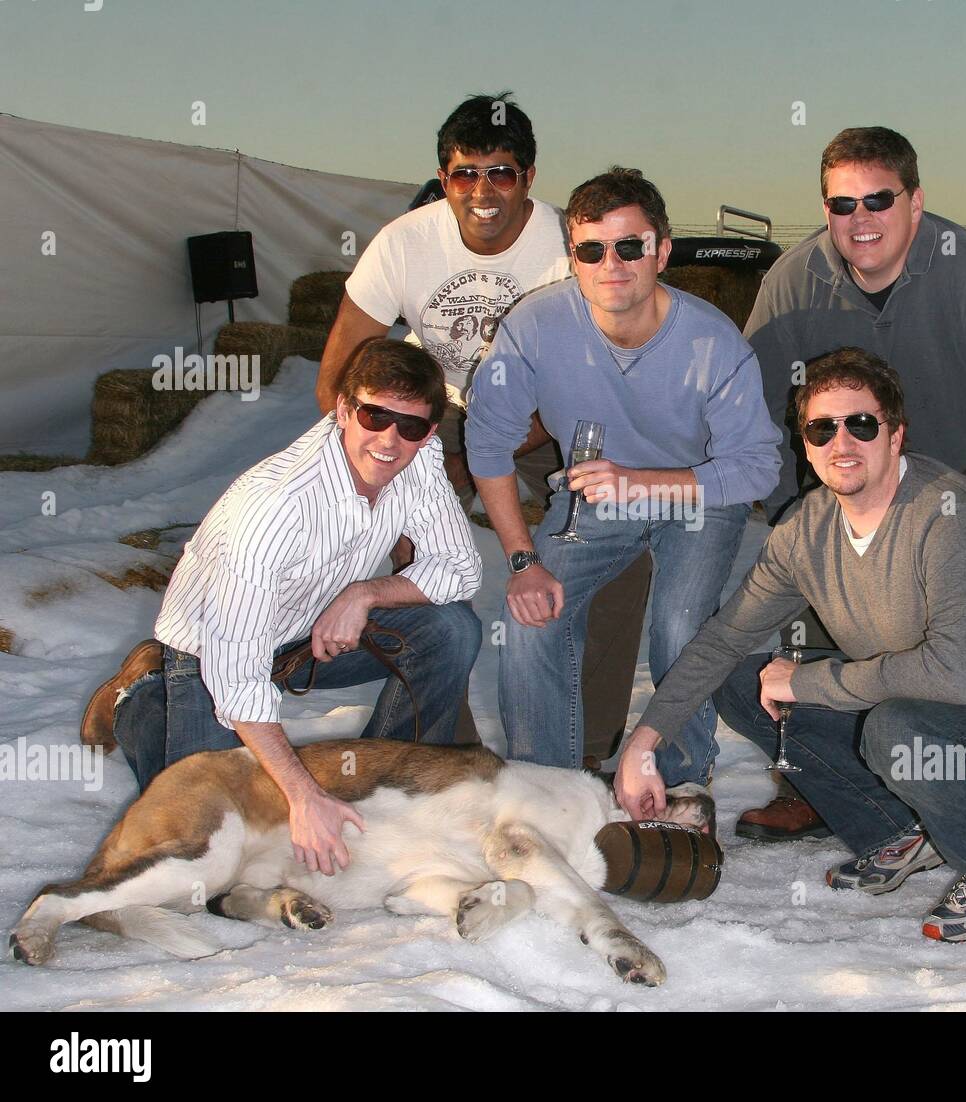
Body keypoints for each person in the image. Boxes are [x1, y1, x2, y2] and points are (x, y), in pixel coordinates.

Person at [618, 349, 966, 941]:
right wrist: (644, 742)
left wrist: (810, 681)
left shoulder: (951, 517)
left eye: (861, 424)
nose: (842, 442)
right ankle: (897, 831)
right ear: (806, 445)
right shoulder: (806, 529)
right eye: (822, 428)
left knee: (896, 728)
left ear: (896, 435)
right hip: (922, 708)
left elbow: (952, 677)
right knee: (743, 682)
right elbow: (721, 639)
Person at [740, 126, 966, 854]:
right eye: (840, 203)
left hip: (959, 471)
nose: (859, 220)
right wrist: (791, 509)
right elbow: (752, 403)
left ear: (915, 202)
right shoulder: (792, 281)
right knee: (815, 628)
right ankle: (813, 784)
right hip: (848, 477)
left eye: (878, 200)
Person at [314, 91, 651, 759]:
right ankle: (445, 744)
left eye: (501, 172)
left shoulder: (566, 246)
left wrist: (483, 450)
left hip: (546, 410)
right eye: (465, 173)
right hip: (435, 408)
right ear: (444, 179)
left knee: (616, 538)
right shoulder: (405, 244)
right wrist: (383, 451)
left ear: (528, 176)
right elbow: (339, 371)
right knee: (417, 555)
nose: (483, 190)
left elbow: (596, 378)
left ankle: (587, 741)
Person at [81, 339, 483, 875]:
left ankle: (382, 793)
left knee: (452, 629)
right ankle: (141, 697)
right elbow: (240, 680)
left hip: (311, 630)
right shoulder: (273, 506)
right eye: (374, 415)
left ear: (430, 432)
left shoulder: (419, 456)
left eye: (410, 426)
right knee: (211, 833)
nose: (390, 440)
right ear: (343, 409)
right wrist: (303, 796)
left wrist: (362, 593)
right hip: (213, 655)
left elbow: (460, 569)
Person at [466, 167, 780, 783]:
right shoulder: (533, 326)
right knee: (532, 616)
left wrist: (643, 483)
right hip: (597, 492)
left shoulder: (712, 342)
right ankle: (546, 791)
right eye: (592, 249)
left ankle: (682, 781)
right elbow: (487, 446)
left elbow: (757, 468)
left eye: (630, 245)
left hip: (697, 492)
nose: (612, 263)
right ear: (573, 258)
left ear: (662, 251)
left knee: (680, 624)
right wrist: (523, 563)